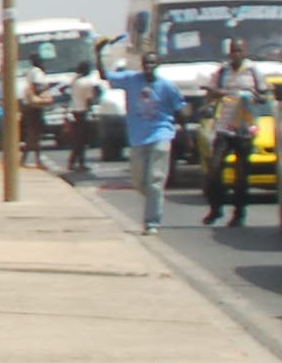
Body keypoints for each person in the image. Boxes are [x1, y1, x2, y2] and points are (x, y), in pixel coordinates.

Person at [106, 52, 188, 233]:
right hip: (137, 138)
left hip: (161, 134)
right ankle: (153, 198)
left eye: (152, 63)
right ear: (142, 65)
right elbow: (105, 76)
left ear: (157, 65)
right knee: (139, 181)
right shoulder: (131, 80)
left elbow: (179, 110)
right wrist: (98, 53)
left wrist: (186, 133)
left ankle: (152, 222)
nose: (149, 67)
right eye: (146, 63)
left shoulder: (166, 86)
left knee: (155, 180)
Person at [203, 39, 271, 227]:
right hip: (224, 128)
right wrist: (219, 92)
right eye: (233, 51)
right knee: (214, 169)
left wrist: (252, 96)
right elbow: (210, 93)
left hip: (244, 129)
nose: (236, 54)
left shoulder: (253, 71)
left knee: (241, 174)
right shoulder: (222, 71)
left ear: (245, 52)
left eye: (239, 50)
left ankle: (239, 213)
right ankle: (216, 208)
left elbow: (264, 96)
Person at [64, 59, 107, 175]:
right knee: (82, 140)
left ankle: (75, 162)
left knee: (78, 139)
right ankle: (77, 162)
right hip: (83, 112)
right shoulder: (87, 83)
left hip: (75, 110)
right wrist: (91, 111)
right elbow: (89, 100)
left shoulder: (75, 81)